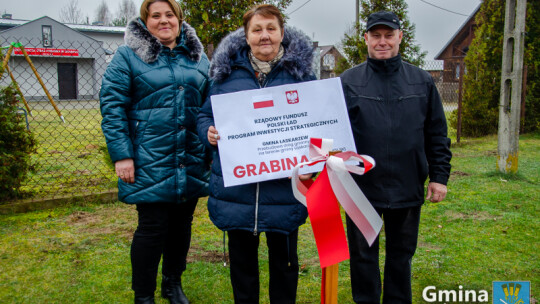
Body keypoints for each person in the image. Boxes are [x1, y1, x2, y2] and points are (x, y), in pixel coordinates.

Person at [197, 4, 316, 304]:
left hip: (284, 191)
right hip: (238, 193)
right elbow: (203, 116)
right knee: (243, 269)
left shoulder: (302, 78)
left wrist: (312, 162)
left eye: (271, 29)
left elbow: (318, 126)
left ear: (282, 33)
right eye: (257, 29)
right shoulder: (224, 75)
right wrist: (208, 132)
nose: (265, 36)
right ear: (246, 35)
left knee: (285, 266)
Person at [100, 0, 210, 303]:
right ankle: (144, 295)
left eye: (169, 14)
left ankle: (172, 284)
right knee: (151, 228)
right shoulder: (127, 57)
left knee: (181, 226)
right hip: (150, 158)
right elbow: (112, 108)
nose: (164, 21)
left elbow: (210, 105)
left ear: (179, 19)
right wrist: (122, 154)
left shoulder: (198, 59)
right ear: (145, 21)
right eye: (156, 15)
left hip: (189, 156)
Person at [340, 11, 452, 304]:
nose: (382, 42)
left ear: (400, 37)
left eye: (389, 35)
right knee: (363, 256)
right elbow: (331, 133)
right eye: (375, 35)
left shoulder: (421, 82)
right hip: (361, 189)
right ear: (365, 38)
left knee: (401, 256)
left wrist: (439, 177)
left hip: (407, 185)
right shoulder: (348, 82)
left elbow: (437, 133)